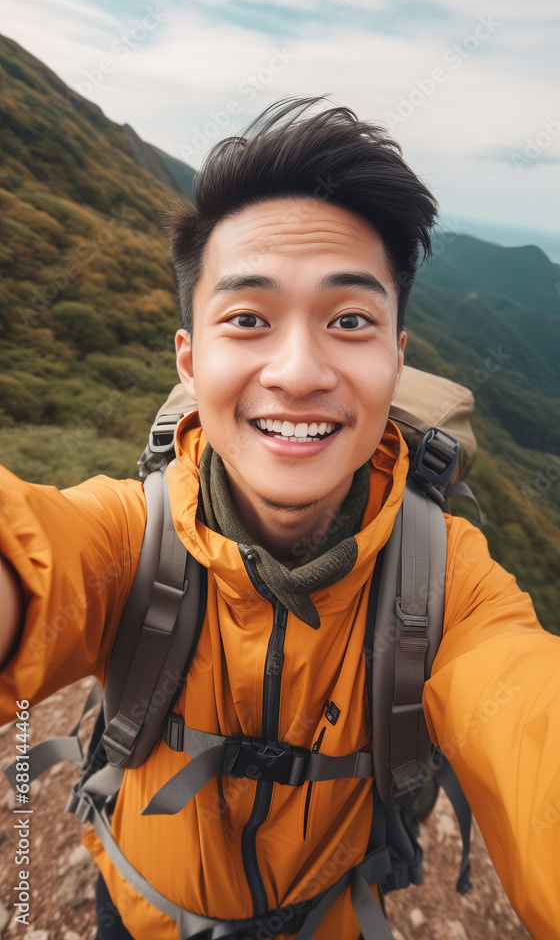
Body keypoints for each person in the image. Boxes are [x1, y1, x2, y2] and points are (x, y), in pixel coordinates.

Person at [1, 95, 559, 940]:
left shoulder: (452, 585)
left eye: (349, 321)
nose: (298, 371)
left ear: (397, 355)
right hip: (139, 911)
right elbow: (33, 557)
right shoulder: (126, 536)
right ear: (190, 359)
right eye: (248, 319)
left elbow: (530, 715)